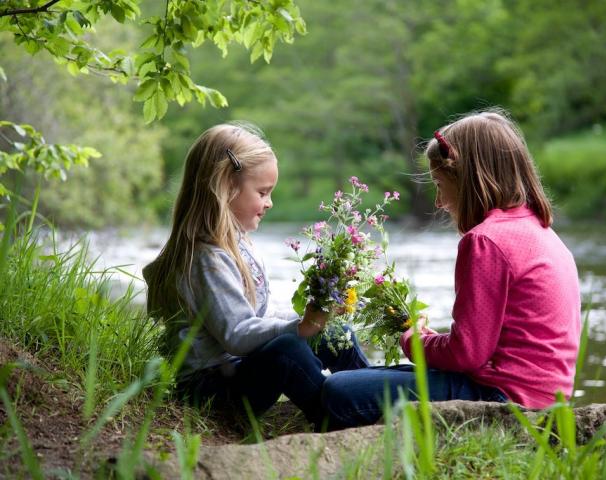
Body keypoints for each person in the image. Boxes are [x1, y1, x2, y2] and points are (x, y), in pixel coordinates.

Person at [321, 109, 581, 429]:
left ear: (465, 177)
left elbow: (466, 354)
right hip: (542, 396)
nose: (439, 202)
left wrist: (413, 339)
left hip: (503, 398)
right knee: (355, 378)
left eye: (439, 184)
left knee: (337, 390)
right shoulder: (544, 233)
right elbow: (482, 348)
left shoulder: (486, 241)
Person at [143, 122, 368, 428]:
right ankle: (339, 416)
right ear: (226, 186)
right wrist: (300, 327)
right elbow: (237, 335)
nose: (269, 203)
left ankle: (372, 393)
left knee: (335, 333)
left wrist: (315, 316)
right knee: (288, 350)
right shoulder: (205, 258)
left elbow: (263, 311)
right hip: (211, 388)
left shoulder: (238, 243)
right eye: (262, 192)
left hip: (239, 370)